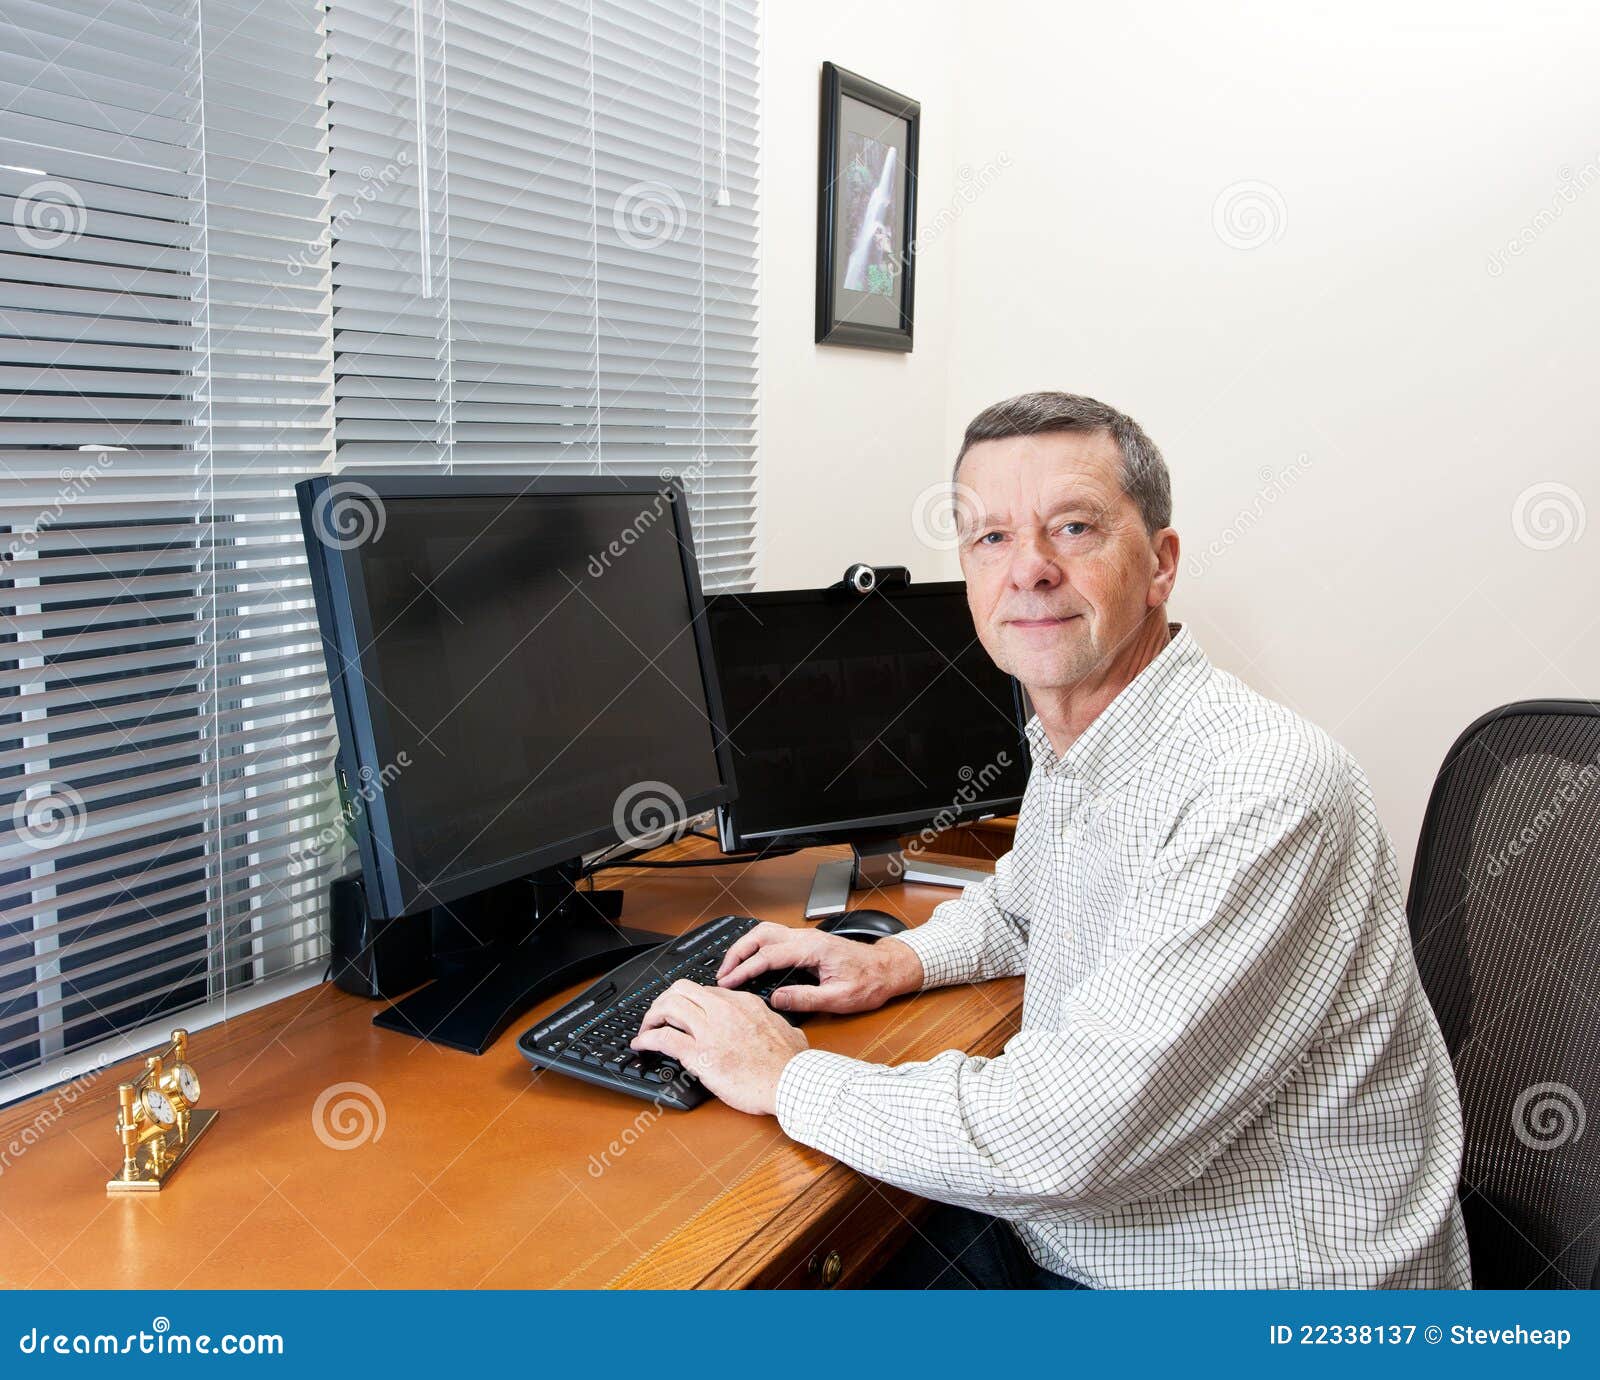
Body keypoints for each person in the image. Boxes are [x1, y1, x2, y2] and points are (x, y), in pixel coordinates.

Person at [631, 391, 1471, 1289]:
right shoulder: (1087, 742)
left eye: (1073, 528)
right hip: (1086, 1238)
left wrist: (785, 1079)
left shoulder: (1260, 789)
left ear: (1160, 564)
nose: (1027, 569)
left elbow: (1063, 1140)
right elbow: (1026, 906)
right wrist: (893, 962)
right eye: (991, 537)